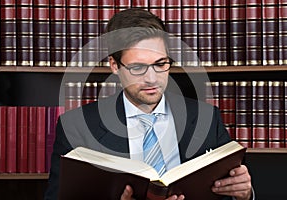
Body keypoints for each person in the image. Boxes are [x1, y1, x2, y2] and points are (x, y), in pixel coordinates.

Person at [44, 8, 253, 200]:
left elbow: (227, 191)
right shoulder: (76, 126)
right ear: (114, 65)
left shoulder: (207, 118)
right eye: (137, 67)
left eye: (160, 64)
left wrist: (244, 195)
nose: (152, 79)